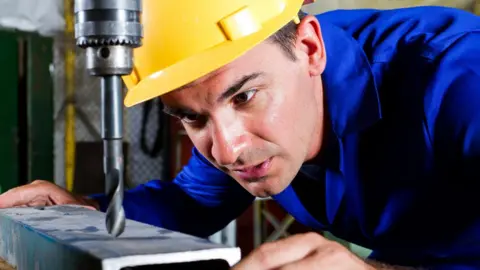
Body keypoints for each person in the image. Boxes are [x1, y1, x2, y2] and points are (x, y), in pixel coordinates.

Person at [1, 0, 480, 268]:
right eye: (192, 118)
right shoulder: (254, 110)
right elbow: (192, 202)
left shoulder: (459, 79)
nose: (228, 150)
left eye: (245, 97)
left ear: (310, 48)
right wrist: (93, 215)